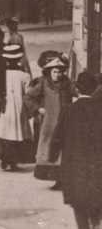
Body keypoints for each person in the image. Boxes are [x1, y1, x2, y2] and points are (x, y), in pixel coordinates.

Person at [56, 71, 102, 229]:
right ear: (96, 88)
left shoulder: (68, 110)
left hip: (74, 166)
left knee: (79, 203)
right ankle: (96, 224)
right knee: (97, 200)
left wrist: (52, 156)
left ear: (76, 88)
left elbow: (58, 137)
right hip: (97, 165)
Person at [0, 43, 32, 172]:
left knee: (4, 132)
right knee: (17, 132)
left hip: (4, 107)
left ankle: (5, 160)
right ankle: (14, 160)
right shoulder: (24, 76)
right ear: (18, 60)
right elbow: (28, 94)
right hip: (19, 107)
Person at [26, 54, 72, 185]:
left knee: (63, 149)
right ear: (49, 72)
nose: (58, 75)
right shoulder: (43, 83)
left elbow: (77, 93)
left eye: (60, 72)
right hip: (49, 124)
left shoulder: (67, 83)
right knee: (49, 148)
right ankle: (53, 177)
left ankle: (61, 180)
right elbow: (28, 97)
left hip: (64, 122)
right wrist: (38, 109)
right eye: (55, 72)